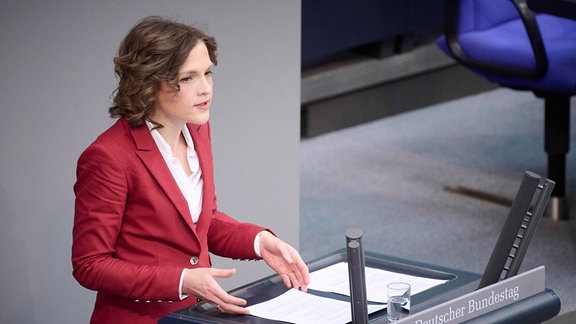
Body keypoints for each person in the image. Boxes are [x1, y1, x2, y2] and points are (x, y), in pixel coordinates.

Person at [71, 16, 309, 323]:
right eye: (188, 78)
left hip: (194, 315)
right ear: (149, 81)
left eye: (208, 73)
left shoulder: (197, 129)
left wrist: (260, 242)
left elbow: (202, 223)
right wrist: (182, 280)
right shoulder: (108, 157)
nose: (205, 89)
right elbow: (90, 264)